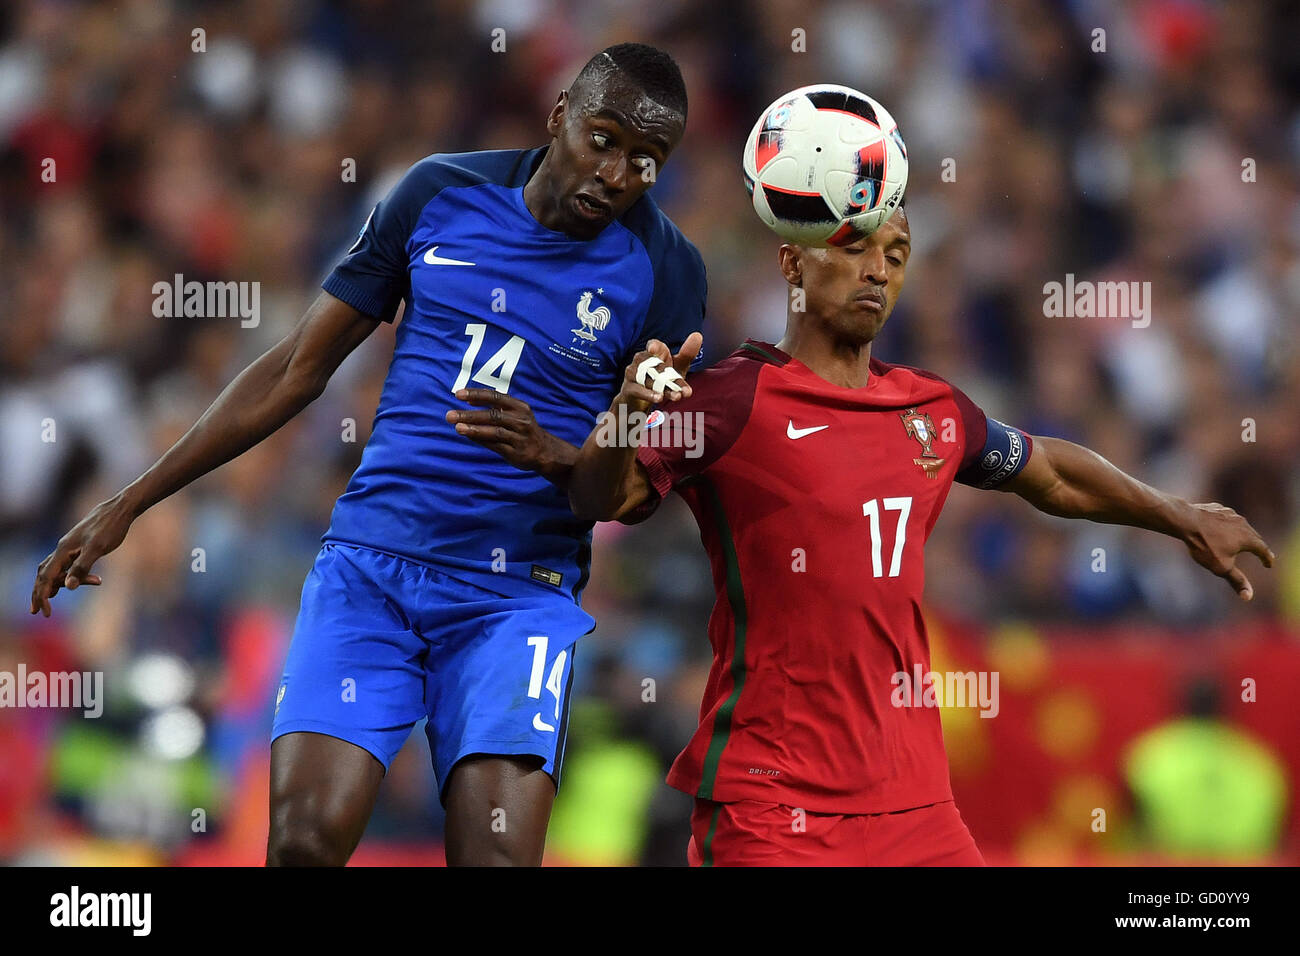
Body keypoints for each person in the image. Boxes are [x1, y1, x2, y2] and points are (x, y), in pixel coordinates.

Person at [30, 42, 706, 866]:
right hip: (374, 566)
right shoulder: (438, 195)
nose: (618, 173)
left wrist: (579, 446)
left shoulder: (666, 272)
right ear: (560, 111)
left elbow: (622, 497)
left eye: (647, 160)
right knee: (306, 843)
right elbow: (294, 368)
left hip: (516, 596)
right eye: (604, 139)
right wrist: (132, 499)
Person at [564, 202, 1275, 866]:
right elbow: (603, 497)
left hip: (915, 804)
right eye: (856, 248)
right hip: (775, 801)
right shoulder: (729, 399)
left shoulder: (928, 409)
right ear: (791, 263)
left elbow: (1051, 471)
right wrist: (627, 413)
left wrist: (1179, 515)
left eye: (898, 254)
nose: (879, 270)